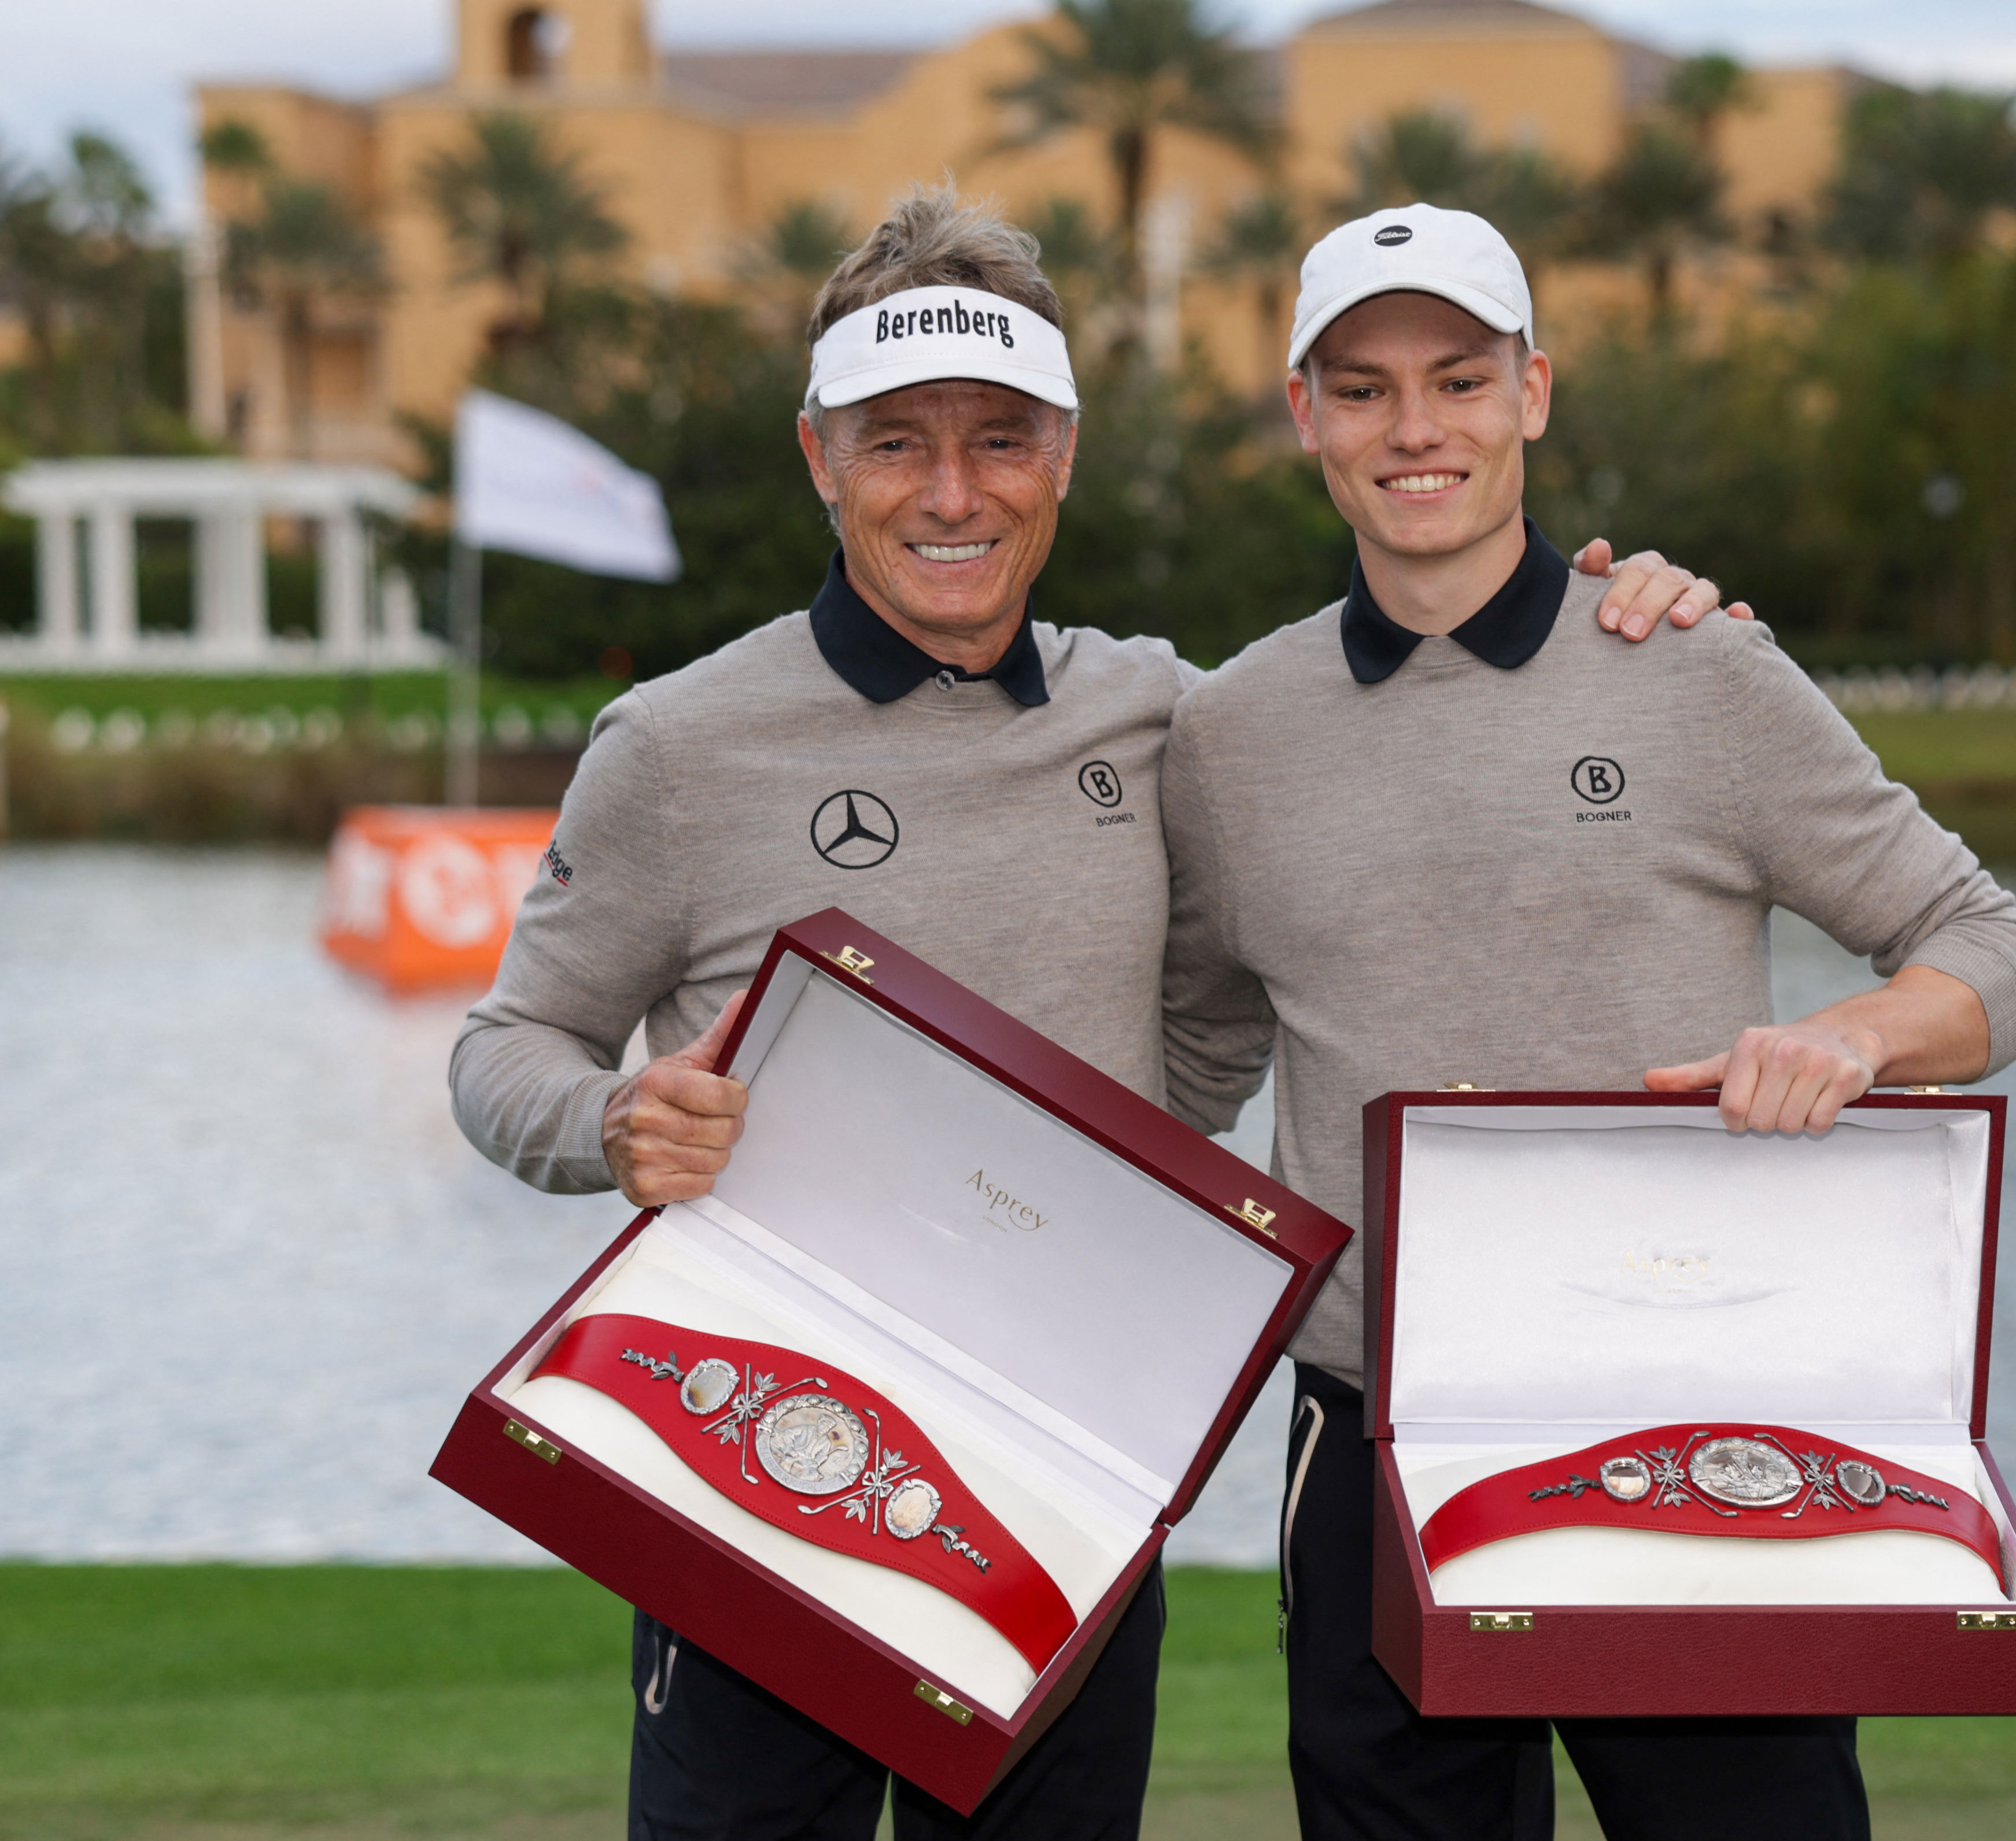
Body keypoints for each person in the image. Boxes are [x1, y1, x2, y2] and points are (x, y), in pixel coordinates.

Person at [449, 186, 1737, 1841]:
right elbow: (506, 1052)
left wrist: (1643, 632)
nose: (953, 492)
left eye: (1001, 440)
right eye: (896, 443)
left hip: (1063, 1477)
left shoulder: (1164, 719)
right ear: (818, 458)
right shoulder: (678, 747)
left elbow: (1219, 1015)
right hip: (747, 1449)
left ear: (1063, 456)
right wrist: (616, 1123)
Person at [1155, 202, 2016, 1841]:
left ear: (1536, 393)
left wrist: (1849, 1042)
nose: (1414, 429)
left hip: (1700, 1414)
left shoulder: (1698, 668)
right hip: (1371, 1438)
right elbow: (1191, 1062)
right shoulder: (1230, 735)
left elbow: (1993, 950)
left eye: (1458, 378)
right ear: (1304, 414)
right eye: (1361, 389)